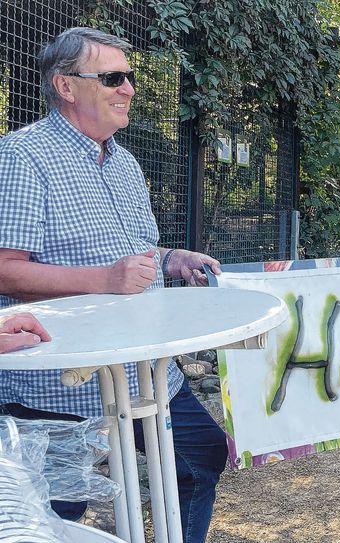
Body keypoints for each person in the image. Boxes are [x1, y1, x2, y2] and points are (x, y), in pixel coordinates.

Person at [0, 27, 226, 543]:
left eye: (130, 77)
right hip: (57, 381)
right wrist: (103, 280)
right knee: (58, 511)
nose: (129, 88)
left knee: (202, 456)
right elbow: (4, 268)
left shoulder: (124, 161)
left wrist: (170, 259)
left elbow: (134, 253)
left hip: (146, 368)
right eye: (113, 77)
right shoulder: (21, 156)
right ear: (65, 86)